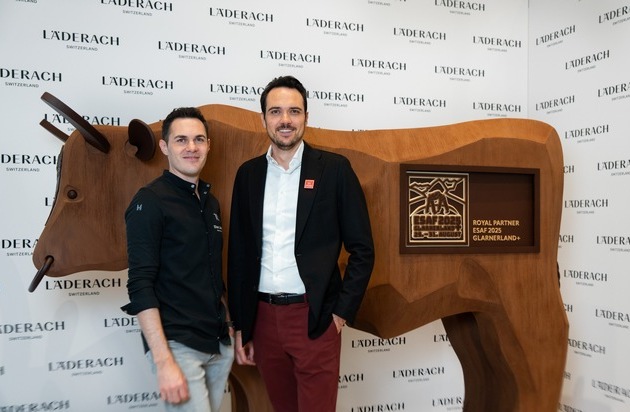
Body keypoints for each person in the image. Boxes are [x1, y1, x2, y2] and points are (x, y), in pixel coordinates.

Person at [227, 75, 375, 411]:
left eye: (294, 111)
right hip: (263, 320)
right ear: (263, 118)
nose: (285, 120)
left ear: (306, 117)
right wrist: (241, 325)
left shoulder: (335, 170)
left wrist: (340, 315)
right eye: (275, 111)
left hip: (315, 318)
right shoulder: (248, 175)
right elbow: (239, 255)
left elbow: (363, 249)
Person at [121, 107, 233, 412]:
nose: (191, 147)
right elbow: (140, 284)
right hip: (178, 347)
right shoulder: (150, 201)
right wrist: (163, 361)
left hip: (219, 344)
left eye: (199, 139)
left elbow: (211, 272)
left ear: (208, 145)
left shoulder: (211, 203)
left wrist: (229, 325)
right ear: (164, 146)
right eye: (181, 140)